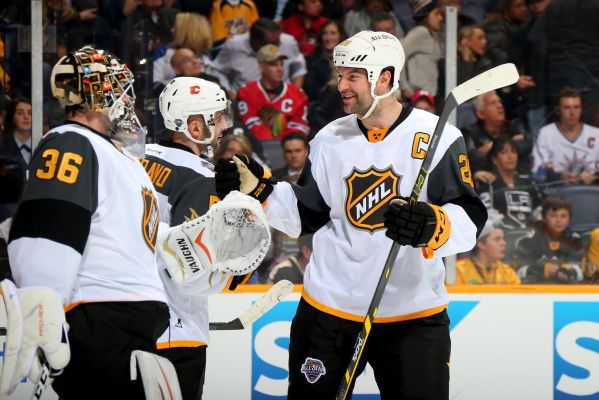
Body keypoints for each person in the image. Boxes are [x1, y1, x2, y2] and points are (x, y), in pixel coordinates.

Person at [215, 30, 487, 398]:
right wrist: (260, 191)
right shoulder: (330, 138)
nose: (341, 85)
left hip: (412, 314)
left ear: (384, 78)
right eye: (339, 74)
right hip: (330, 310)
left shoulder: (437, 136)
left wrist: (433, 225)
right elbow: (307, 213)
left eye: (352, 77)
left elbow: (469, 215)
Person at [7, 46, 169, 398]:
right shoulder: (70, 141)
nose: (124, 99)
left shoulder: (121, 157)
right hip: (98, 315)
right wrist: (40, 296)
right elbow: (51, 218)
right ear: (93, 94)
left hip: (130, 318)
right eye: (116, 88)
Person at [143, 76, 252, 400]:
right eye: (217, 118)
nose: (223, 127)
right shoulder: (202, 177)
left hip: (124, 322)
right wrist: (238, 267)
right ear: (194, 126)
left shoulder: (134, 156)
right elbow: (192, 271)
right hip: (176, 332)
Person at [206, 17, 307, 95]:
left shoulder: (287, 42)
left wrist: (295, 93)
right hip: (243, 102)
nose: (278, 45)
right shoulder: (233, 46)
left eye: (278, 40)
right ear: (257, 43)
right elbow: (216, 71)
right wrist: (227, 91)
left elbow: (299, 68)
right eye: (273, 43)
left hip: (281, 100)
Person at [236, 44, 310, 140]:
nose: (280, 69)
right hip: (256, 148)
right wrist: (270, 142)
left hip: (289, 148)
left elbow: (300, 127)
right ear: (261, 67)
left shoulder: (297, 94)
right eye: (274, 65)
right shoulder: (246, 92)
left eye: (281, 64)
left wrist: (281, 143)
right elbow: (249, 123)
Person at [532, 87, 599, 186]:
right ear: (558, 110)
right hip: (557, 195)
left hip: (592, 193)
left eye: (576, 107)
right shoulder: (546, 134)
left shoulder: (596, 134)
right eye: (567, 108)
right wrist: (559, 177)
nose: (572, 113)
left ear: (581, 109)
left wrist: (595, 177)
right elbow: (537, 171)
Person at [476, 135, 543, 229]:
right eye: (504, 153)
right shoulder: (488, 181)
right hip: (500, 233)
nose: (510, 157)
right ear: (494, 159)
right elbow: (485, 211)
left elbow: (539, 208)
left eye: (514, 152)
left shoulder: (529, 181)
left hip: (530, 235)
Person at [515, 195, 584, 283]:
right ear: (544, 217)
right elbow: (519, 272)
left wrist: (570, 271)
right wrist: (540, 270)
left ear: (569, 219)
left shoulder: (574, 239)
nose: (558, 220)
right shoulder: (528, 239)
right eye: (553, 215)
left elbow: (581, 272)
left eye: (563, 216)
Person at [462, 91, 531, 172]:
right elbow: (470, 159)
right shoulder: (469, 132)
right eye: (493, 103)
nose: (500, 105)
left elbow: (527, 146)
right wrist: (503, 145)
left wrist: (490, 148)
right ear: (481, 113)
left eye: (500, 102)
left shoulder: (513, 127)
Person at [153, 12, 214, 88]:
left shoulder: (205, 55)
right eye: (186, 60)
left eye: (175, 27)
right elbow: (155, 84)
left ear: (189, 32)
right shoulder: (163, 52)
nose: (171, 30)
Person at [400, 0, 445, 99]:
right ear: (425, 16)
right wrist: (404, 86)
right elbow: (399, 53)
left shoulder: (433, 34)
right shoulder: (420, 32)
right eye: (436, 14)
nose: (441, 18)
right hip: (419, 97)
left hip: (430, 95)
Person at [456, 218, 521, 284]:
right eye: (497, 239)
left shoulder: (507, 272)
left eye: (502, 239)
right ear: (481, 244)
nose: (503, 243)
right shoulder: (459, 271)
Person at [0, 97, 31, 221]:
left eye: (30, 113)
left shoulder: (45, 147)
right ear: (12, 117)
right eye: (20, 113)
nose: (26, 117)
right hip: (6, 216)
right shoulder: (2, 149)